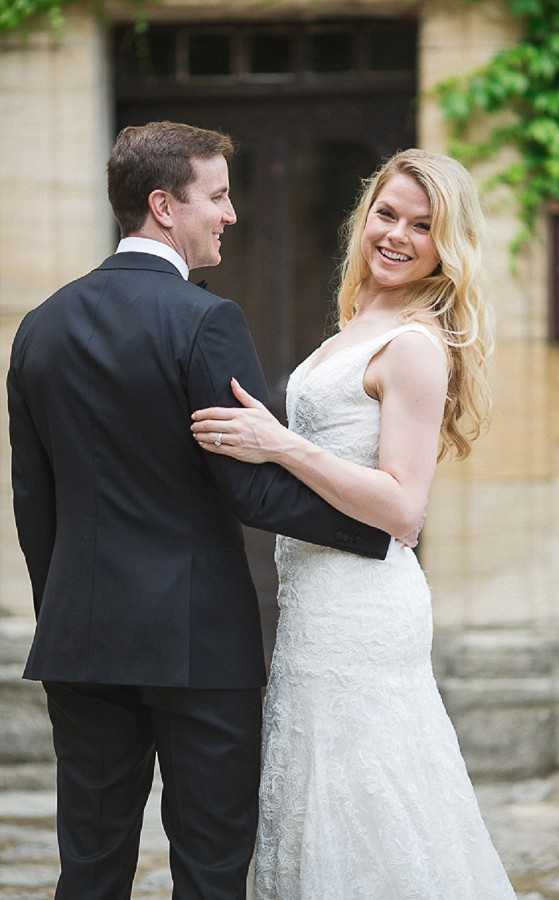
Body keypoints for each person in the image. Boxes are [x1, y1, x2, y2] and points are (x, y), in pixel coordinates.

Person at [6, 121, 404, 900]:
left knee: (88, 868)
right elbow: (248, 485)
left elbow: (33, 499)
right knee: (212, 870)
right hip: (197, 645)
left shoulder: (40, 326)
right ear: (163, 205)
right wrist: (375, 526)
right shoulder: (204, 321)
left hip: (80, 642)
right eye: (217, 196)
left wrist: (65, 609)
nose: (230, 214)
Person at [191, 148, 517, 899]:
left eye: (423, 226)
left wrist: (281, 444)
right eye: (387, 213)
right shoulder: (361, 319)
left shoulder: (414, 345)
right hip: (315, 599)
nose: (397, 235)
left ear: (448, 245)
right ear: (365, 215)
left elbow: (405, 509)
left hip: (364, 606)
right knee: (317, 799)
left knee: (371, 799)